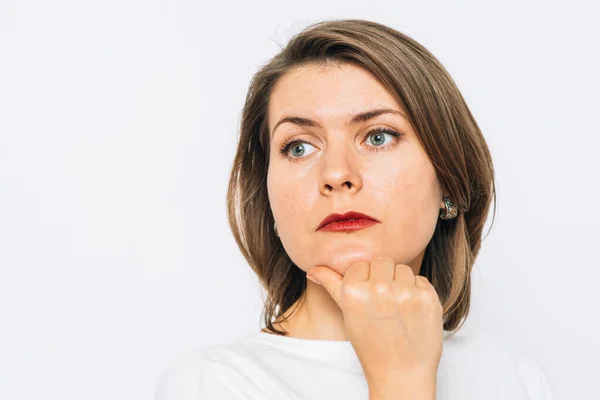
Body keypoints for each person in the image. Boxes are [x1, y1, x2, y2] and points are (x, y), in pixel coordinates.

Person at [155, 19, 554, 400]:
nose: (337, 175)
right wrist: (401, 381)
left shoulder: (508, 373)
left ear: (448, 179)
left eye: (378, 137)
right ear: (269, 197)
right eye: (299, 147)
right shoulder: (213, 383)